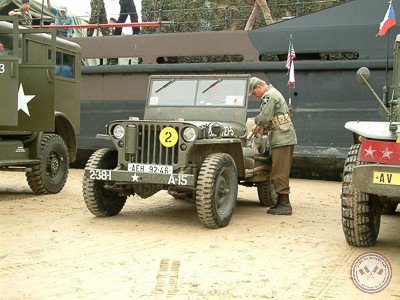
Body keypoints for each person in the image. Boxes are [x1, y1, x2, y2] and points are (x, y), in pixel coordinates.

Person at [249, 77, 297, 215]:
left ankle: (284, 204)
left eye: (253, 92)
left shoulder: (269, 95)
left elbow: (264, 117)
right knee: (278, 170)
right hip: (282, 136)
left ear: (259, 87)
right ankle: (281, 202)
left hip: (282, 138)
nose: (254, 95)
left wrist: (257, 124)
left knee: (279, 172)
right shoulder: (273, 93)